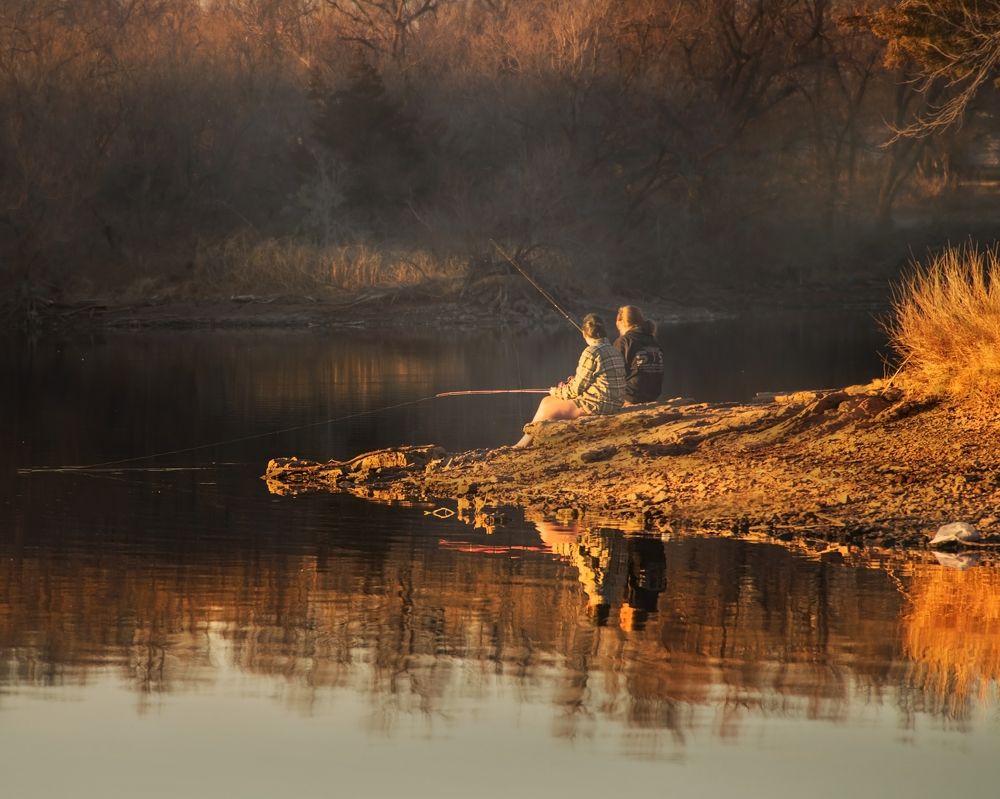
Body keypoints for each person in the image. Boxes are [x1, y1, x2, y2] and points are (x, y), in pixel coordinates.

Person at [514, 313, 626, 448]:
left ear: (584, 333)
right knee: (548, 402)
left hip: (598, 406)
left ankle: (523, 444)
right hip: (615, 403)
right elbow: (601, 380)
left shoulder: (591, 352)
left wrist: (556, 391)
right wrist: (573, 382)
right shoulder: (613, 349)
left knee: (546, 404)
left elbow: (575, 390)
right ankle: (526, 442)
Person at [613, 305, 664, 405]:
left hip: (630, 396)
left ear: (621, 322)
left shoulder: (624, 341)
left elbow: (612, 374)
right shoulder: (653, 341)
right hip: (653, 395)